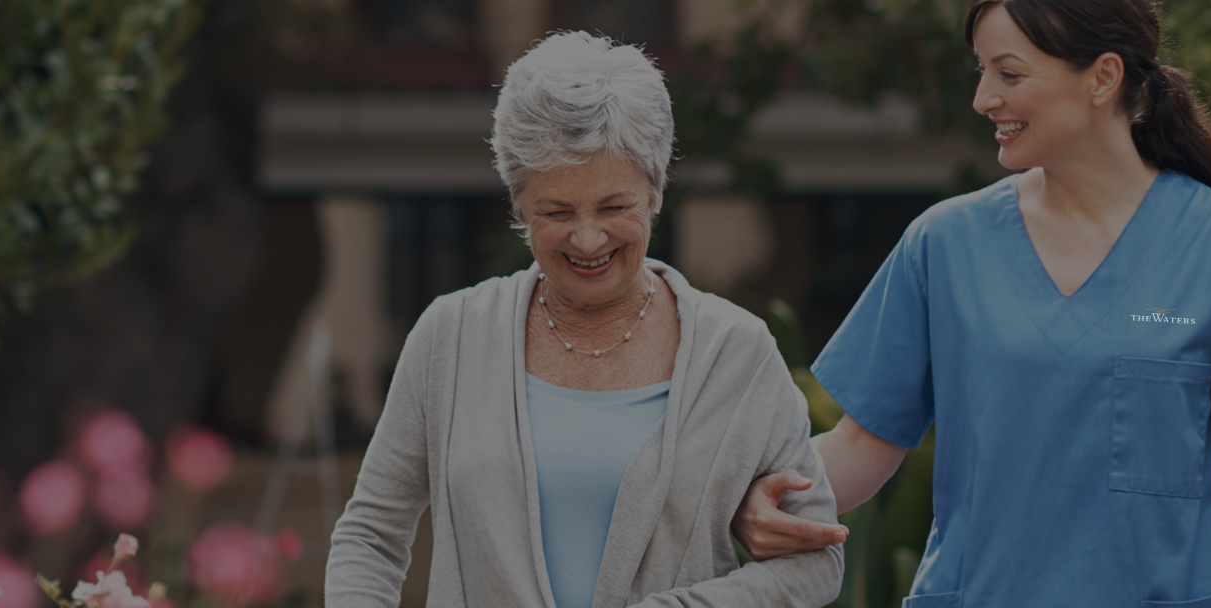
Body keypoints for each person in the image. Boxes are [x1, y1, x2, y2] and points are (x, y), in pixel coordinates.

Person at [730, 1, 1211, 606]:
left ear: (1103, 77)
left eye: (1009, 73)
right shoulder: (943, 245)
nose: (983, 98)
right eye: (981, 71)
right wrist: (759, 498)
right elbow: (863, 445)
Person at [325, 32, 841, 608]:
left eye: (615, 207)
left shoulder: (737, 354)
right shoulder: (452, 337)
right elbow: (370, 536)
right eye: (556, 211)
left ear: (656, 193)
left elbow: (816, 565)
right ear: (519, 206)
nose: (589, 237)